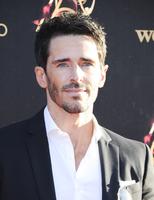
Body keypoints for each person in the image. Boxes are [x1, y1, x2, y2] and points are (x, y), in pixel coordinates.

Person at [0, 12, 154, 200]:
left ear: (102, 75)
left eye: (87, 64)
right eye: (63, 64)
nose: (76, 76)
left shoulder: (136, 157)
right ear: (42, 76)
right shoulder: (5, 149)